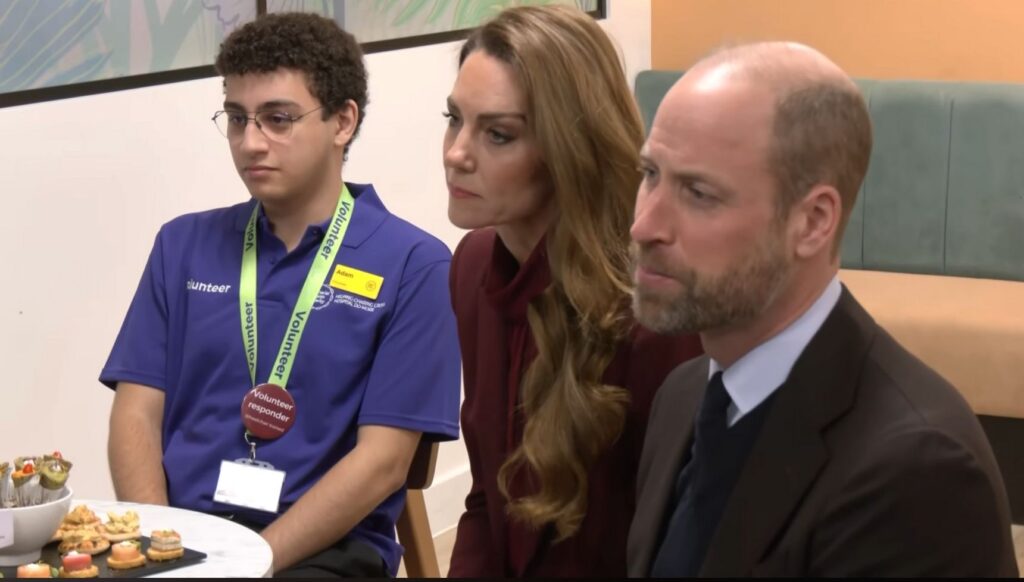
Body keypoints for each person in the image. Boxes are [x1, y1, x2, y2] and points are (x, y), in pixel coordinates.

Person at [626, 41, 1017, 577]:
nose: (644, 225)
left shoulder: (916, 473)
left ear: (812, 222)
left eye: (698, 193)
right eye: (650, 175)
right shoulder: (682, 395)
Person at [101, 13, 460, 577]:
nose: (250, 142)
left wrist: (249, 563)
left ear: (343, 121)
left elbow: (384, 464)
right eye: (238, 118)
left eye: (277, 119)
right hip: (182, 538)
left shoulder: (414, 264)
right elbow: (135, 416)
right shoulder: (182, 244)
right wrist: (161, 547)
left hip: (321, 549)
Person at [442, 5, 703, 577]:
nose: (456, 153)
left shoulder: (652, 305)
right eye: (453, 118)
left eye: (497, 134)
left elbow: (676, 535)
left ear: (569, 148)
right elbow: (488, 497)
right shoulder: (472, 266)